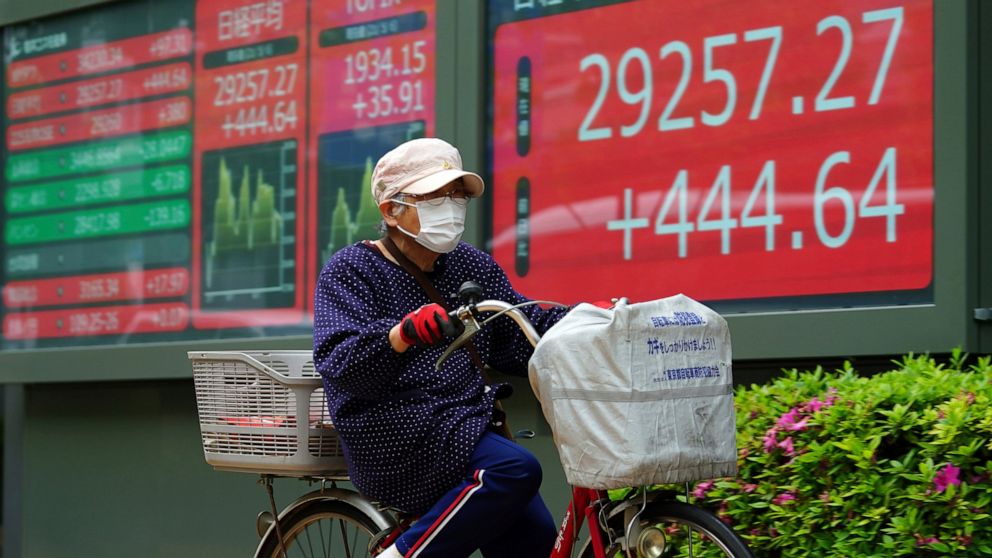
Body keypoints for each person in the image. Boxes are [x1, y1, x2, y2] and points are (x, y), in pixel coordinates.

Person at [313, 138, 569, 557]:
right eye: (434, 196)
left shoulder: (471, 265)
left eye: (457, 195)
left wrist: (588, 321)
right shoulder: (351, 269)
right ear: (391, 210)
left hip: (462, 423)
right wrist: (401, 335)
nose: (451, 206)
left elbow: (514, 331)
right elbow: (341, 360)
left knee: (534, 537)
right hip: (392, 430)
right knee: (514, 471)